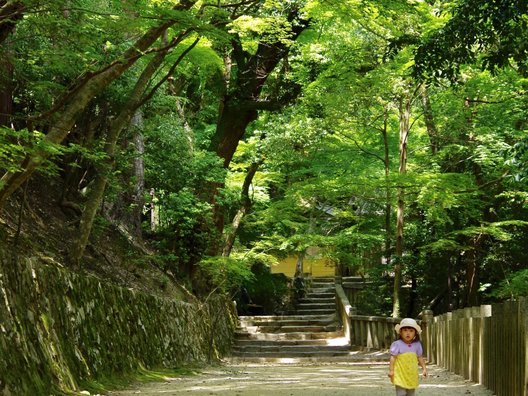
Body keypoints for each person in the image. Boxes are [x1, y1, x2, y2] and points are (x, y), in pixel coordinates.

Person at [388, 318, 428, 396]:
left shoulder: (417, 345)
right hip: (400, 374)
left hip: (411, 374)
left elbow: (420, 357)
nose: (408, 333)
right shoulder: (397, 344)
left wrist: (424, 369)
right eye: (405, 330)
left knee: (411, 393)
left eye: (411, 331)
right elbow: (393, 358)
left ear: (415, 333)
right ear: (400, 332)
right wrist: (391, 370)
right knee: (401, 393)